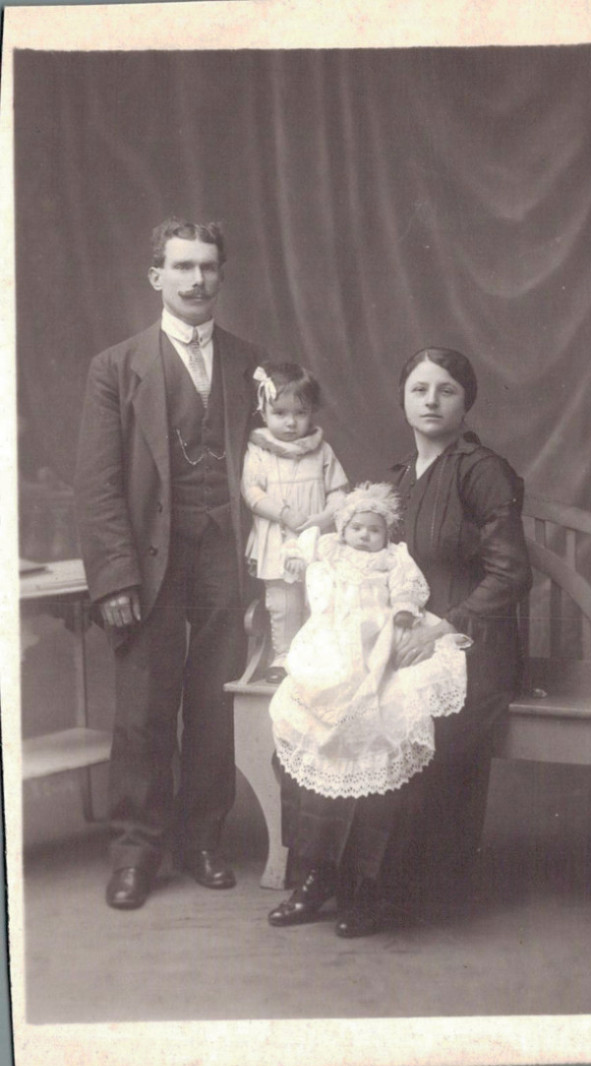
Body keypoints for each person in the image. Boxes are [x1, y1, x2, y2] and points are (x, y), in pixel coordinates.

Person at [74, 217, 265, 910]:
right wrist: (114, 577)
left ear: (221, 276)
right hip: (149, 562)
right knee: (144, 708)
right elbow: (96, 485)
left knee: (216, 701)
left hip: (225, 556)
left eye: (207, 267)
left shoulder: (252, 363)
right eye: (181, 267)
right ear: (155, 276)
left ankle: (202, 840)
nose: (195, 280)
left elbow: (279, 464)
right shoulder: (117, 367)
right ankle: (135, 851)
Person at [266, 483, 470, 938]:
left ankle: (368, 886)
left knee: (383, 733)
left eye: (372, 529)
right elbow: (306, 547)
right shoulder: (336, 549)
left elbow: (409, 590)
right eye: (356, 528)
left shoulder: (396, 556)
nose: (363, 536)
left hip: (384, 647)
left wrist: (402, 616)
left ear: (385, 531)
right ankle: (317, 877)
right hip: (334, 649)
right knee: (309, 728)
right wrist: (316, 538)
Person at [387, 346, 533, 912]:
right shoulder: (399, 476)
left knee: (421, 716)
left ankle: (416, 889)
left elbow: (510, 575)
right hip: (415, 635)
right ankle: (336, 876)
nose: (431, 400)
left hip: (476, 643)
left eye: (445, 390)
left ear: (466, 401)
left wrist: (443, 628)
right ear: (403, 399)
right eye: (419, 389)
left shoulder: (481, 471)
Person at [241, 361, 348, 682]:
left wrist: (321, 518)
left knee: (317, 597)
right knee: (283, 602)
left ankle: (315, 654)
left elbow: (340, 492)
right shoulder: (259, 452)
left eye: (300, 414)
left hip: (316, 539)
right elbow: (252, 492)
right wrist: (285, 514)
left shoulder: (321, 451)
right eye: (280, 413)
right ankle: (283, 655)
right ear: (263, 412)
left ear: (312, 412)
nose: (290, 423)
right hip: (279, 539)